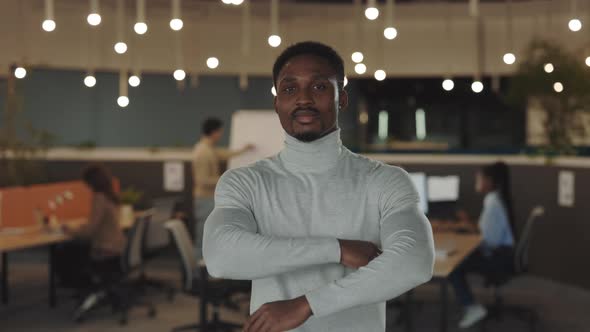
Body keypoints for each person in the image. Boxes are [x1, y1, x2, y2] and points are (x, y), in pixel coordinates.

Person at [203, 41, 434, 332]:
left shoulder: (384, 180)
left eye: (319, 87)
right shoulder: (244, 182)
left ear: (342, 99)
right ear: (277, 104)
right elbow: (221, 257)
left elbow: (415, 261)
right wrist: (335, 250)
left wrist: (306, 305)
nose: (303, 99)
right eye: (289, 89)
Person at [449, 161, 516, 329]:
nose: (476, 182)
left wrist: (467, 228)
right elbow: (487, 232)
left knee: (453, 265)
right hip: (501, 254)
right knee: (457, 258)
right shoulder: (495, 199)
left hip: (498, 258)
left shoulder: (493, 203)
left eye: (479, 178)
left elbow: (489, 241)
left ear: (489, 181)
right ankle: (469, 304)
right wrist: (468, 225)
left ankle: (472, 307)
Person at [192, 117, 254, 260]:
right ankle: (196, 273)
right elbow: (201, 180)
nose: (220, 135)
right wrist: (227, 178)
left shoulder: (208, 148)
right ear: (214, 132)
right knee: (202, 237)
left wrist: (244, 150)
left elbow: (224, 154)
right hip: (204, 200)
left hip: (207, 199)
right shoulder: (203, 152)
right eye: (219, 132)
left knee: (207, 235)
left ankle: (203, 271)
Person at [56, 164, 126, 289]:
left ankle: (77, 285)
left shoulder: (99, 198)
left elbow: (90, 231)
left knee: (65, 250)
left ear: (92, 182)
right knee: (74, 249)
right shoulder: (111, 196)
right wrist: (83, 227)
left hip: (105, 249)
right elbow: (99, 223)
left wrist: (68, 230)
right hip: (117, 246)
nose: (87, 187)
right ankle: (86, 285)